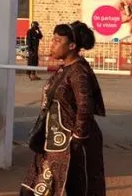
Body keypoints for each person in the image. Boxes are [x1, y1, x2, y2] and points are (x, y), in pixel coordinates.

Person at [20, 21, 106, 196]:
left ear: (72, 46)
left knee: (81, 189)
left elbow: (85, 106)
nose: (52, 44)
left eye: (58, 41)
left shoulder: (78, 72)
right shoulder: (64, 70)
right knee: (35, 189)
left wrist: (77, 138)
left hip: (74, 145)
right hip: (53, 144)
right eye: (52, 39)